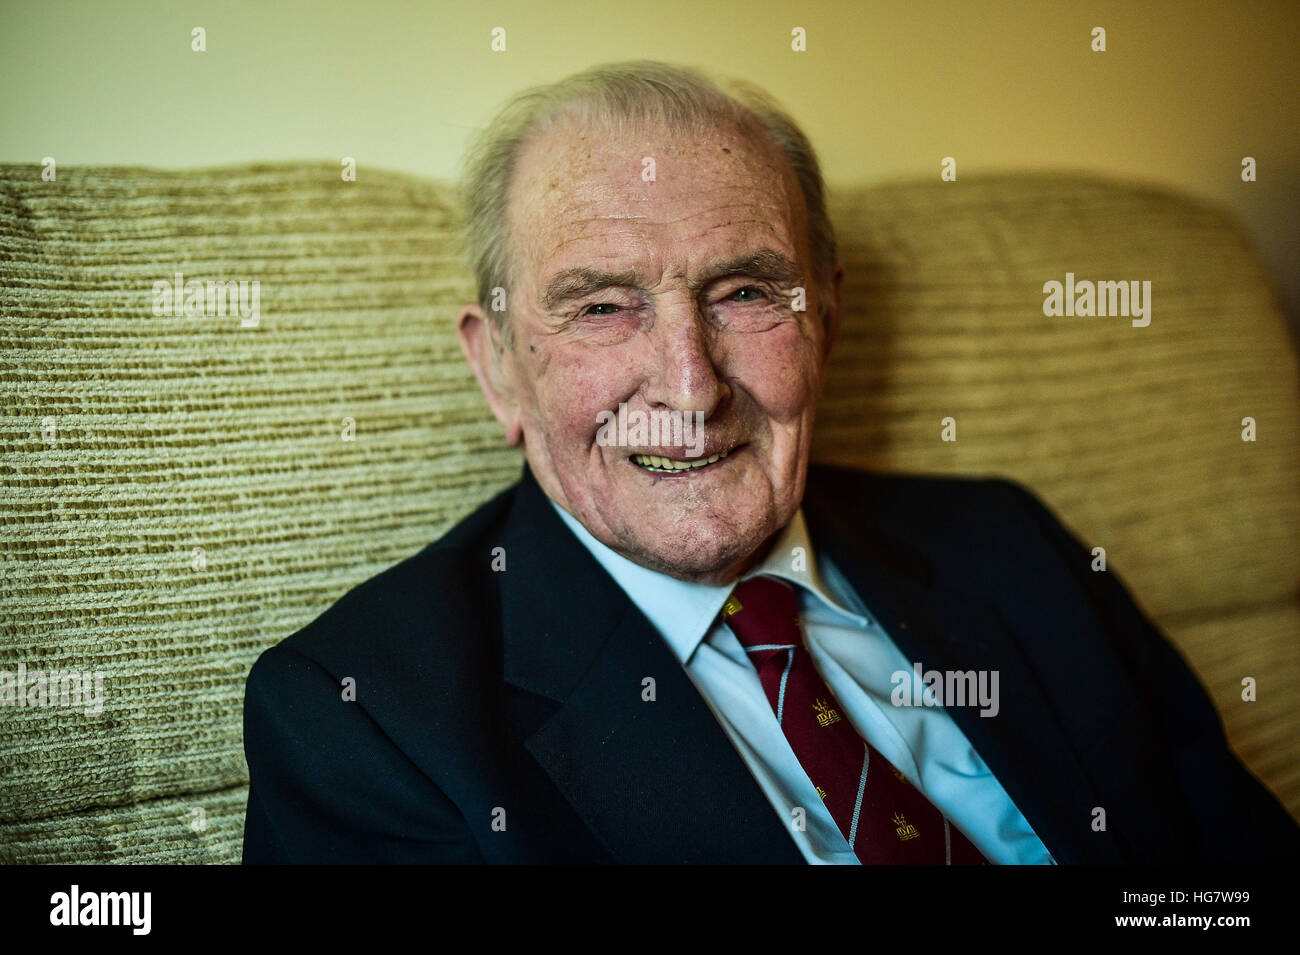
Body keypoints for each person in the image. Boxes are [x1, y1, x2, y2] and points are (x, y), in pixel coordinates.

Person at [242, 60, 1299, 864]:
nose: (691, 387)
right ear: (500, 371)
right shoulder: (360, 718)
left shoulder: (1009, 544)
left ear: (826, 318)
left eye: (745, 293)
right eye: (602, 307)